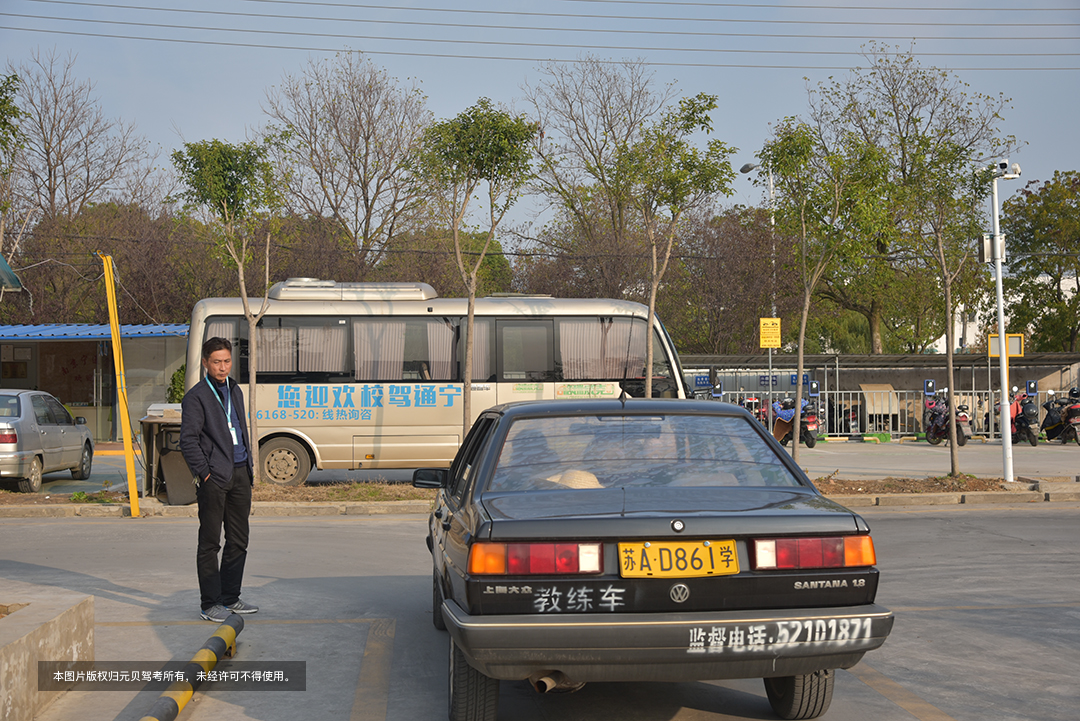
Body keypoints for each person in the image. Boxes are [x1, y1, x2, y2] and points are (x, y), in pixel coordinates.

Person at [180, 337, 258, 623]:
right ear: (205, 363)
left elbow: (240, 427)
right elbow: (187, 440)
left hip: (239, 473)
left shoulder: (235, 390)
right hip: (215, 477)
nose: (223, 367)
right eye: (216, 362)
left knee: (239, 540)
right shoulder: (196, 397)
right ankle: (210, 603)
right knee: (210, 542)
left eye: (226, 361)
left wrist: (249, 466)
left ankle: (230, 597)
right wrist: (205, 472)